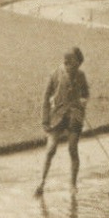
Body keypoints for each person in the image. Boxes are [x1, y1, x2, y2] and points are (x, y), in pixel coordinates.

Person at [35, 47, 89, 197]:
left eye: (75, 64)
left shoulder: (81, 75)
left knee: (73, 148)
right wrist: (45, 119)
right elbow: (46, 97)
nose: (71, 66)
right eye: (69, 63)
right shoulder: (55, 74)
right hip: (57, 115)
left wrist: (82, 104)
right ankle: (41, 182)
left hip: (74, 116)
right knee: (51, 149)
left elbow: (85, 94)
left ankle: (73, 184)